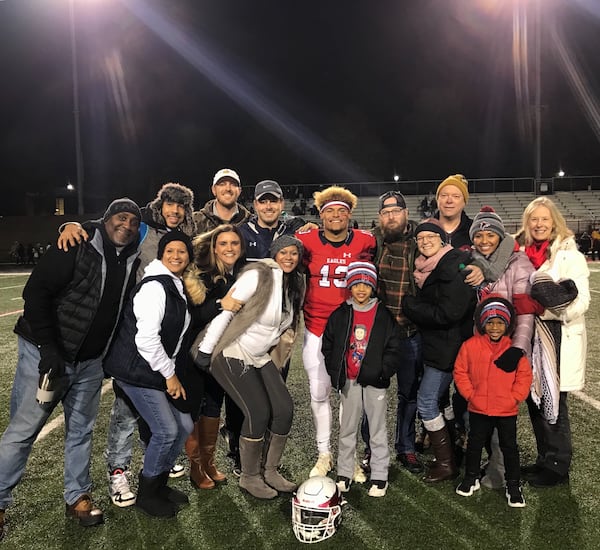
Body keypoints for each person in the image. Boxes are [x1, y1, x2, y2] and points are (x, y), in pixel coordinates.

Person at [0, 198, 141, 535]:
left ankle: (76, 495)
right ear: (105, 219)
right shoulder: (76, 243)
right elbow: (35, 294)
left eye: (134, 222)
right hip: (45, 355)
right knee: (23, 431)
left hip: (89, 363)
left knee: (81, 431)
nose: (127, 225)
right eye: (121, 217)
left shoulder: (132, 256)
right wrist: (49, 348)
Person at [57, 182, 196, 507]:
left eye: (180, 207)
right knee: (126, 411)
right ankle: (119, 470)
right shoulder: (143, 228)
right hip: (133, 330)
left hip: (162, 335)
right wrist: (74, 224)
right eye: (170, 205)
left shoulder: (186, 233)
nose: (174, 211)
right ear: (160, 205)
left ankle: (156, 466)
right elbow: (109, 226)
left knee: (164, 418)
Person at [193, 235, 305, 499]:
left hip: (258, 354)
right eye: (283, 252)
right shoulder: (258, 275)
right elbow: (227, 312)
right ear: (274, 254)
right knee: (257, 411)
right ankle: (249, 476)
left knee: (284, 409)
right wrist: (206, 351)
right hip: (232, 349)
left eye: (294, 253)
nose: (288, 257)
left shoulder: (295, 283)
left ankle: (271, 470)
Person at [104, 232, 194, 517]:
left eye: (182, 251)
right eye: (171, 250)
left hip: (152, 369)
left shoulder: (174, 283)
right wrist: (170, 374)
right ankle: (147, 493)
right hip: (137, 371)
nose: (176, 255)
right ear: (161, 254)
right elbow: (146, 340)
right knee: (166, 430)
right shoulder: (155, 286)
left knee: (184, 426)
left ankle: (159, 483)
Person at [295, 186, 376, 478]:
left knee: (350, 396)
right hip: (316, 328)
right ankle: (324, 454)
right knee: (319, 393)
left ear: (350, 214)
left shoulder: (365, 240)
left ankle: (349, 456)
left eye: (342, 210)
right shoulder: (305, 239)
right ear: (321, 215)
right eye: (330, 210)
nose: (336, 215)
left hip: (351, 331)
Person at [516, 196, 590, 487]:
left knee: (555, 403)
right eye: (534, 219)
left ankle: (558, 465)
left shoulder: (569, 256)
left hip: (558, 337)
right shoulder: (521, 253)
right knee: (535, 399)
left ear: (554, 222)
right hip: (530, 336)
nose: (539, 224)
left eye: (545, 219)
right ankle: (544, 458)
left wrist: (545, 309)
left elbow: (580, 301)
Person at [466, 206, 537, 489]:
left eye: (490, 235)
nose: (484, 240)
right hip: (480, 348)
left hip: (506, 348)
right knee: (480, 409)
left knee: (500, 412)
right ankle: (489, 463)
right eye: (479, 235)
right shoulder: (471, 261)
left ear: (500, 237)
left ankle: (499, 472)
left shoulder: (518, 263)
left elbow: (525, 312)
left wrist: (518, 349)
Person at [401, 218, 475, 483]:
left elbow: (449, 312)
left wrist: (410, 308)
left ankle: (447, 462)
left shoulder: (452, 264)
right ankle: (452, 447)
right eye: (421, 238)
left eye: (431, 237)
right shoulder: (426, 266)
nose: (425, 242)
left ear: (442, 240)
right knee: (441, 400)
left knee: (427, 401)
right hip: (439, 343)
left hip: (448, 345)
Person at [322, 261, 401, 498]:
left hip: (375, 381)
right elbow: (329, 345)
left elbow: (394, 347)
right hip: (350, 381)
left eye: (366, 285)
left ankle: (379, 475)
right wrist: (336, 370)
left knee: (377, 429)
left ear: (373, 287)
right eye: (356, 284)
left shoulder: (383, 314)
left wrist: (383, 371)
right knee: (347, 429)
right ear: (350, 286)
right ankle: (344, 473)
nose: (361, 290)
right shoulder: (341, 313)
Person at [182, 224, 245, 489]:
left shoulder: (236, 276)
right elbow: (192, 317)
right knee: (195, 409)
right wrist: (220, 304)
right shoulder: (201, 276)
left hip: (219, 354)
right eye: (223, 244)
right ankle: (196, 467)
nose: (229, 248)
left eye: (234, 244)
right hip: (194, 353)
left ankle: (209, 462)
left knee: (213, 406)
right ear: (214, 247)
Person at [453, 296, 532, 508]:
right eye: (490, 322)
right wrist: (471, 395)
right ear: (482, 324)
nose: (495, 327)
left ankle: (513, 485)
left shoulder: (513, 350)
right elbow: (460, 372)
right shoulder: (470, 346)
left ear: (507, 325)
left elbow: (524, 376)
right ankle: (470, 478)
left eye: (500, 322)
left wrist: (514, 398)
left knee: (509, 448)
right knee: (475, 445)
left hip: (506, 410)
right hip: (478, 407)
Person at [369, 191, 423, 474]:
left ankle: (406, 447)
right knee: (371, 395)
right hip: (377, 335)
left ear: (405, 213)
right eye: (386, 211)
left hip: (410, 332)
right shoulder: (371, 242)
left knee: (409, 395)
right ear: (380, 217)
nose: (391, 215)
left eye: (396, 210)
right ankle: (371, 449)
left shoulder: (422, 241)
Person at [193, 168, 251, 234]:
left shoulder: (250, 222)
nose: (228, 188)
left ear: (239, 191)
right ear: (214, 190)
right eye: (222, 184)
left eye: (233, 184)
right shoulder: (195, 221)